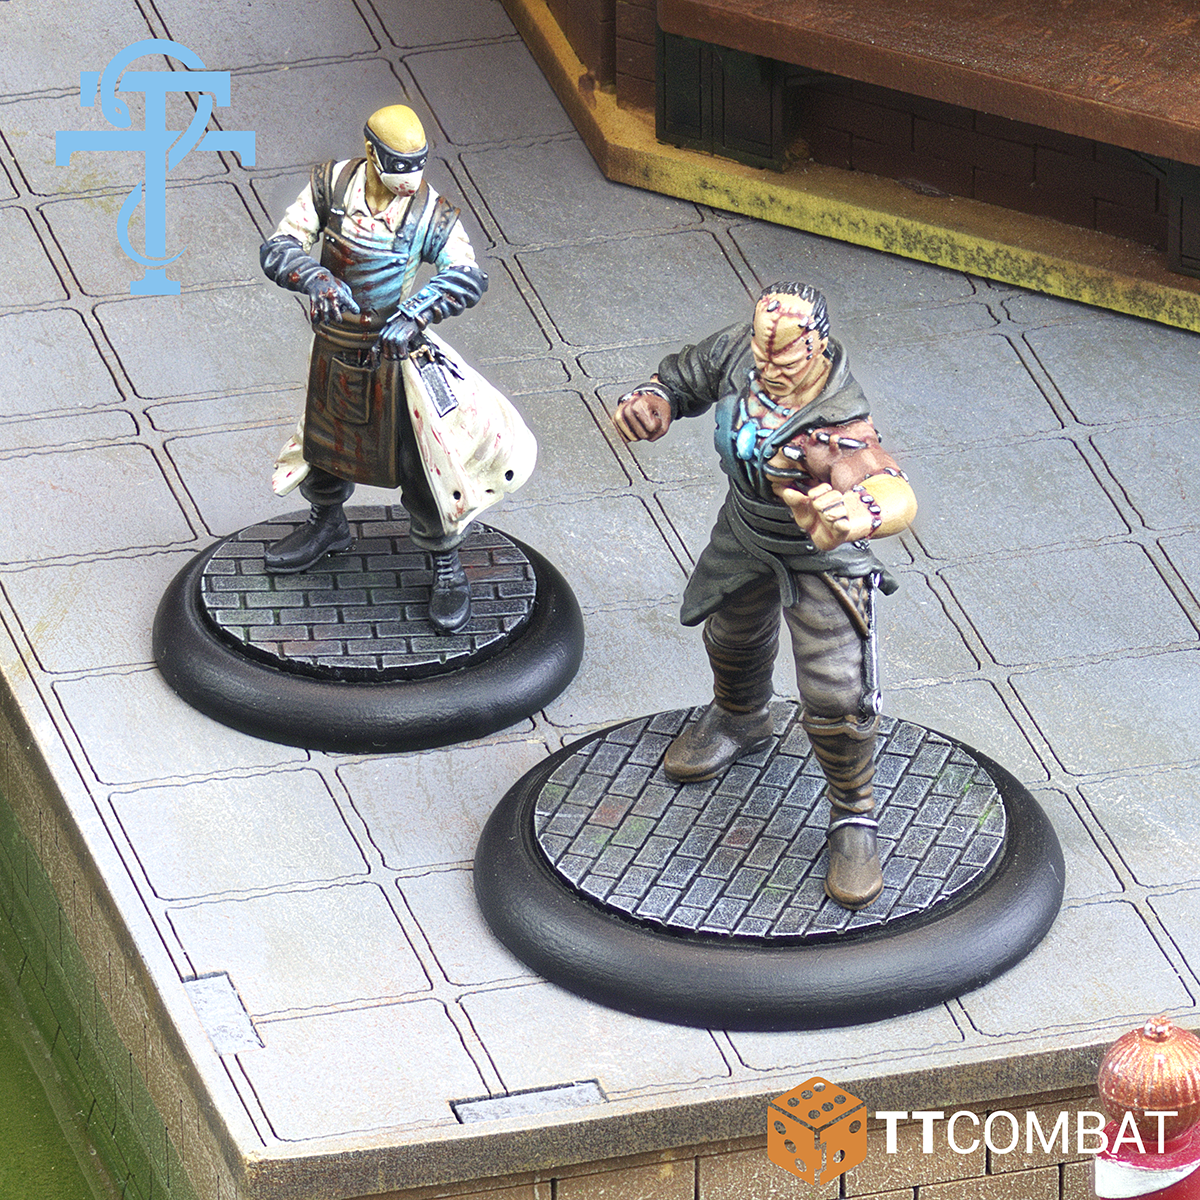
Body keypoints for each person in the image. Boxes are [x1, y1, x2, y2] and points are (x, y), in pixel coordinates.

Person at [614, 282, 917, 909]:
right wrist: (652, 400)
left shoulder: (836, 423)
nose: (769, 366)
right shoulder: (740, 353)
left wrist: (860, 513)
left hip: (820, 555)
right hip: (746, 532)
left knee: (837, 691)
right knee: (730, 635)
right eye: (762, 349)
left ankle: (853, 814)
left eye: (786, 356)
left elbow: (892, 489)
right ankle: (740, 716)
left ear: (818, 346)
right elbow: (682, 378)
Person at [259, 104, 488, 633]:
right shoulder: (331, 187)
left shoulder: (430, 213)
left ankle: (446, 565)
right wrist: (314, 278)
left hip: (394, 356)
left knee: (422, 462)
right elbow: (280, 246)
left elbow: (467, 274)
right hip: (335, 345)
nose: (411, 176)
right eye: (400, 164)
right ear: (370, 151)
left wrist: (416, 313)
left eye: (419, 163)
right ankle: (326, 522)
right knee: (324, 441)